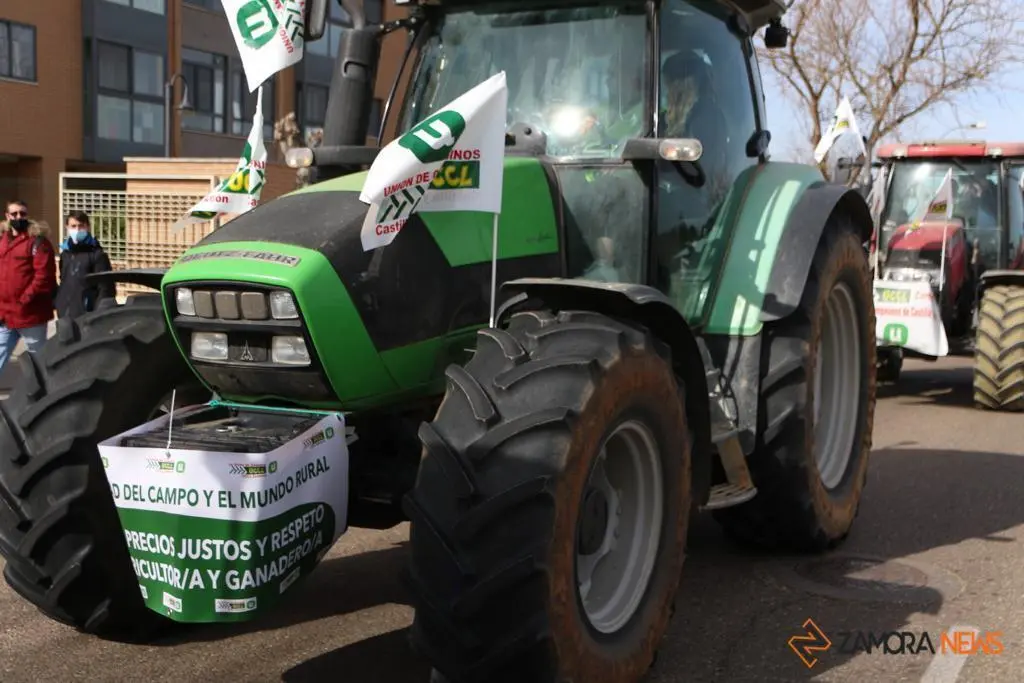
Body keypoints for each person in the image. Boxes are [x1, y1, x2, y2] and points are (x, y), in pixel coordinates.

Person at [0, 200, 57, 371]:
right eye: (15, 214)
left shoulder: (38, 243)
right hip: (5, 315)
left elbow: (43, 277)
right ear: (7, 216)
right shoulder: (2, 241)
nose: (19, 217)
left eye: (22, 214)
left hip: (30, 314)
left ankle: (45, 395)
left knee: (39, 361)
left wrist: (25, 299)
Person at [54, 211, 115, 319]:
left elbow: (105, 288)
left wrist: (98, 314)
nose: (77, 229)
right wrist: (59, 303)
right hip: (64, 314)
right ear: (67, 227)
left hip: (87, 316)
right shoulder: (65, 255)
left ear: (88, 227)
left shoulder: (97, 255)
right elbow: (63, 281)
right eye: (73, 226)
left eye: (81, 226)